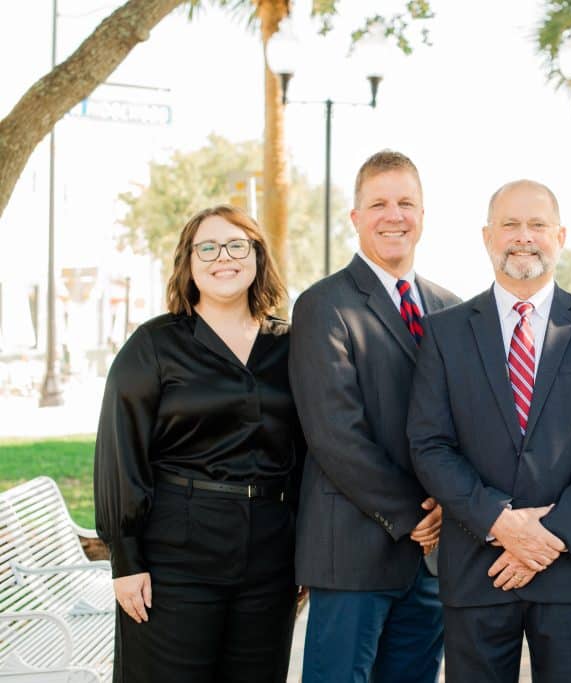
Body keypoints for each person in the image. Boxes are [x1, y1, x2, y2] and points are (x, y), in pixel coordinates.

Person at [407, 179, 571, 683]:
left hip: (569, 570)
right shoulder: (444, 333)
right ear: (488, 236)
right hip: (477, 568)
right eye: (510, 224)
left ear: (561, 235)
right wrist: (500, 523)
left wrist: (550, 535)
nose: (523, 236)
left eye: (537, 225)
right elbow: (430, 445)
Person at [94, 205, 303, 683]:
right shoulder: (153, 345)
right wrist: (125, 560)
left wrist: (304, 550)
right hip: (176, 557)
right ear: (188, 263)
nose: (221, 257)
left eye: (236, 245)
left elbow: (309, 450)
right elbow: (119, 452)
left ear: (257, 257)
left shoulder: (290, 345)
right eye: (206, 247)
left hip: (270, 557)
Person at [289, 150, 460, 683]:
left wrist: (451, 508)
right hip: (355, 552)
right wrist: (417, 516)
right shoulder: (324, 305)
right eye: (379, 203)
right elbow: (335, 434)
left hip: (431, 562)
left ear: (424, 216)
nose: (394, 215)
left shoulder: (452, 309)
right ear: (356, 217)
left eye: (406, 202)